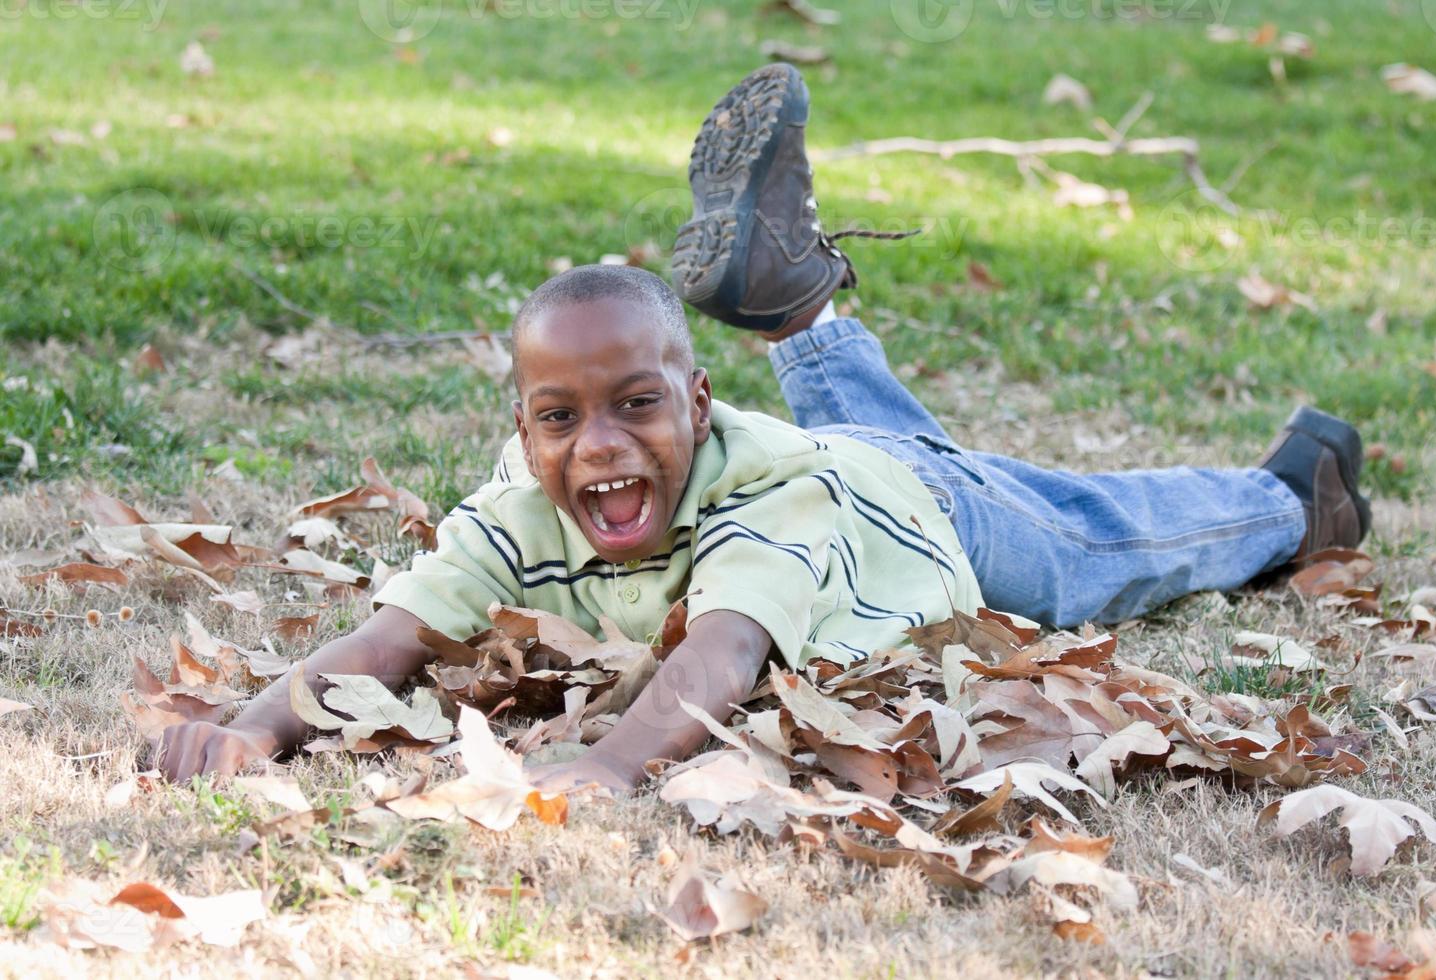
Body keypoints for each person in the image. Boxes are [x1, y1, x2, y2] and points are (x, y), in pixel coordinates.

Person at [156, 64, 1370, 788]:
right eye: (560, 418)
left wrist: (611, 769)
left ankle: (1295, 495)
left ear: (696, 402)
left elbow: (721, 659)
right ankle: (798, 310)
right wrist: (256, 727)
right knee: (897, 445)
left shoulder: (757, 495)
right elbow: (384, 642)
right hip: (847, 468)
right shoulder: (517, 512)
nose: (601, 446)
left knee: (1096, 548)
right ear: (521, 432)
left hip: (917, 522)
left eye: (638, 404)